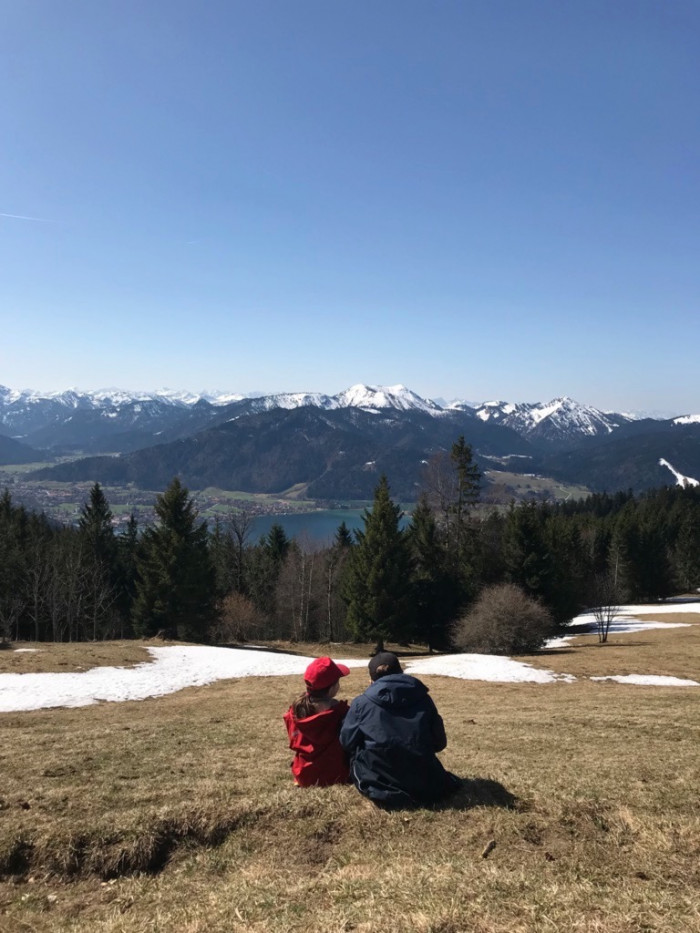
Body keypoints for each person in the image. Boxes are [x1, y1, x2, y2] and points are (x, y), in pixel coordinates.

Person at [339, 651, 457, 808]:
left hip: (379, 781)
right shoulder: (423, 698)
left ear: (371, 680)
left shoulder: (361, 703)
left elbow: (347, 742)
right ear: (401, 672)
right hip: (424, 779)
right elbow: (439, 743)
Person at [283, 656, 351, 787]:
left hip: (304, 775)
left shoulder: (294, 712)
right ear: (332, 688)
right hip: (336, 774)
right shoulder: (341, 712)